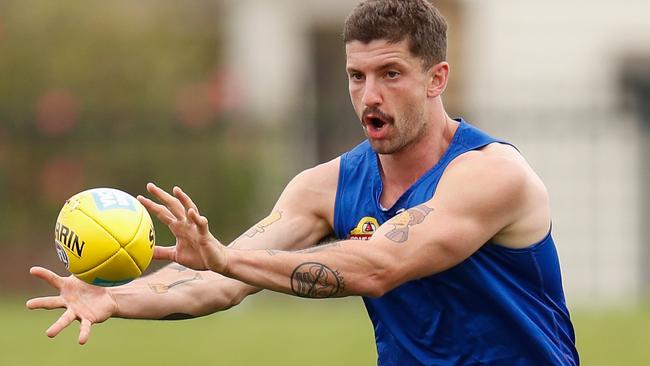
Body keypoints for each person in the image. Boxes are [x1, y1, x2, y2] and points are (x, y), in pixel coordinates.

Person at [27, 0, 579, 364]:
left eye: (391, 74)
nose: (369, 96)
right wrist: (111, 299)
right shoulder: (325, 187)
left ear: (437, 79)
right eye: (356, 77)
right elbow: (216, 282)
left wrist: (224, 259)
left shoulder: (491, 174)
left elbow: (380, 265)